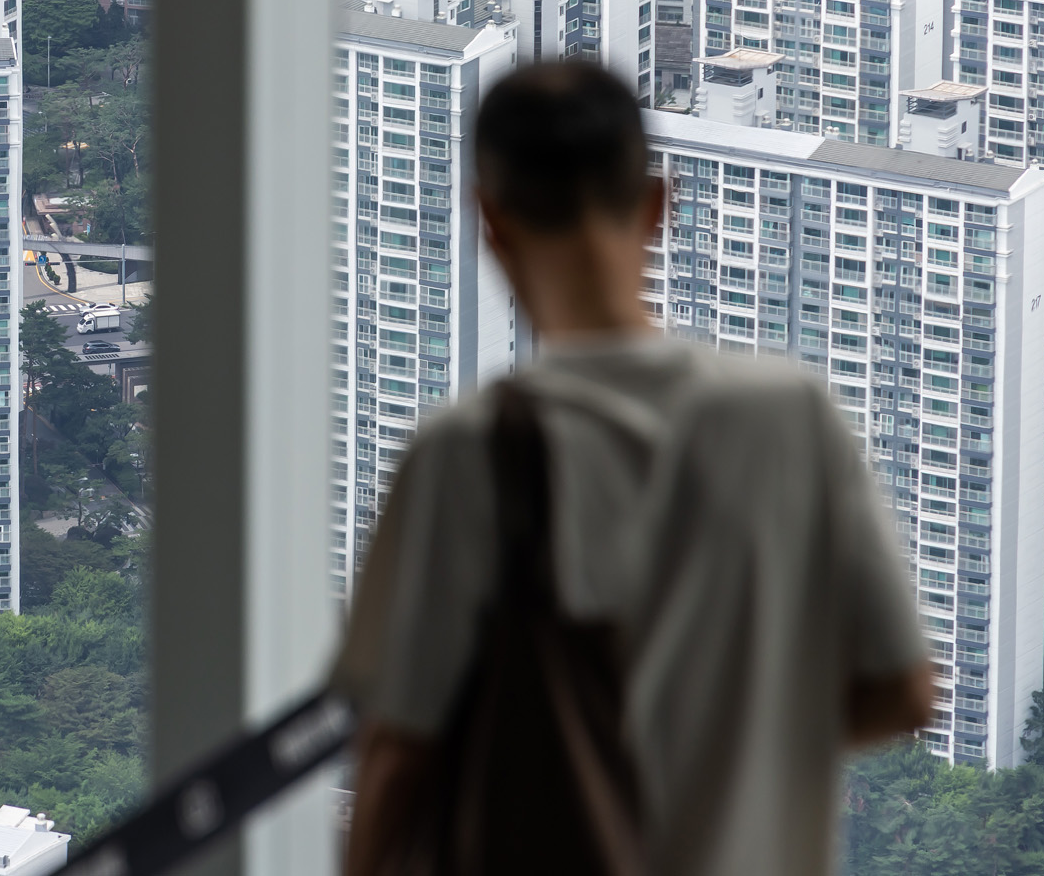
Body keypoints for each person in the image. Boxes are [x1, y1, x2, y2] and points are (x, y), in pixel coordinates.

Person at [335, 60, 932, 876]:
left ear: (490, 222)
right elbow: (903, 691)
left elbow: (397, 751)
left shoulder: (468, 452)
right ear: (657, 204)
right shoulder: (792, 417)